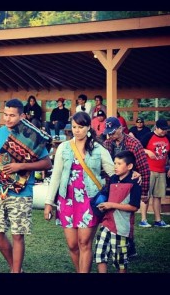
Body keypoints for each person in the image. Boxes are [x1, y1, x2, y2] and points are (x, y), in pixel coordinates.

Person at [0, 98, 52, 273]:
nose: (8, 118)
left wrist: (22, 166)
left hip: (22, 192)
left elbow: (47, 164)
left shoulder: (32, 137)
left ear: (22, 116)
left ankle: (15, 272)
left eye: (12, 115)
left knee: (17, 235)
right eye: (5, 114)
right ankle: (16, 268)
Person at [44, 111, 115, 273]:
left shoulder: (98, 148)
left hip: (89, 200)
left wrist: (131, 175)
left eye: (81, 127)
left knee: (84, 243)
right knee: (72, 244)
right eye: (74, 127)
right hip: (67, 200)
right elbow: (56, 176)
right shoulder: (64, 147)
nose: (77, 130)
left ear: (88, 127)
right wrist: (49, 202)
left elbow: (113, 172)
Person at [103, 116, 150, 258]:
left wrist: (144, 193)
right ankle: (114, 245)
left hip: (130, 185)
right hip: (112, 184)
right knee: (111, 214)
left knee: (126, 216)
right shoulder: (106, 144)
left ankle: (129, 246)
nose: (110, 135)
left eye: (113, 132)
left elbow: (144, 168)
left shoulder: (134, 144)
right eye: (108, 132)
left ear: (121, 129)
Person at [94, 150, 141, 273]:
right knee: (100, 254)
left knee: (120, 261)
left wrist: (111, 205)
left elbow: (134, 207)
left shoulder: (135, 182)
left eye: (119, 163)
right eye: (115, 163)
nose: (115, 166)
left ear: (129, 166)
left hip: (122, 227)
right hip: (106, 223)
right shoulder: (113, 178)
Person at [139, 118, 170, 228]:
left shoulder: (168, 137)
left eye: (166, 129)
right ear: (156, 127)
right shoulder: (148, 136)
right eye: (162, 129)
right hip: (149, 170)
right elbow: (138, 148)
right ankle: (143, 219)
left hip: (161, 171)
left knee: (158, 196)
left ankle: (158, 220)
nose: (164, 131)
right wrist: (147, 151)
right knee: (146, 195)